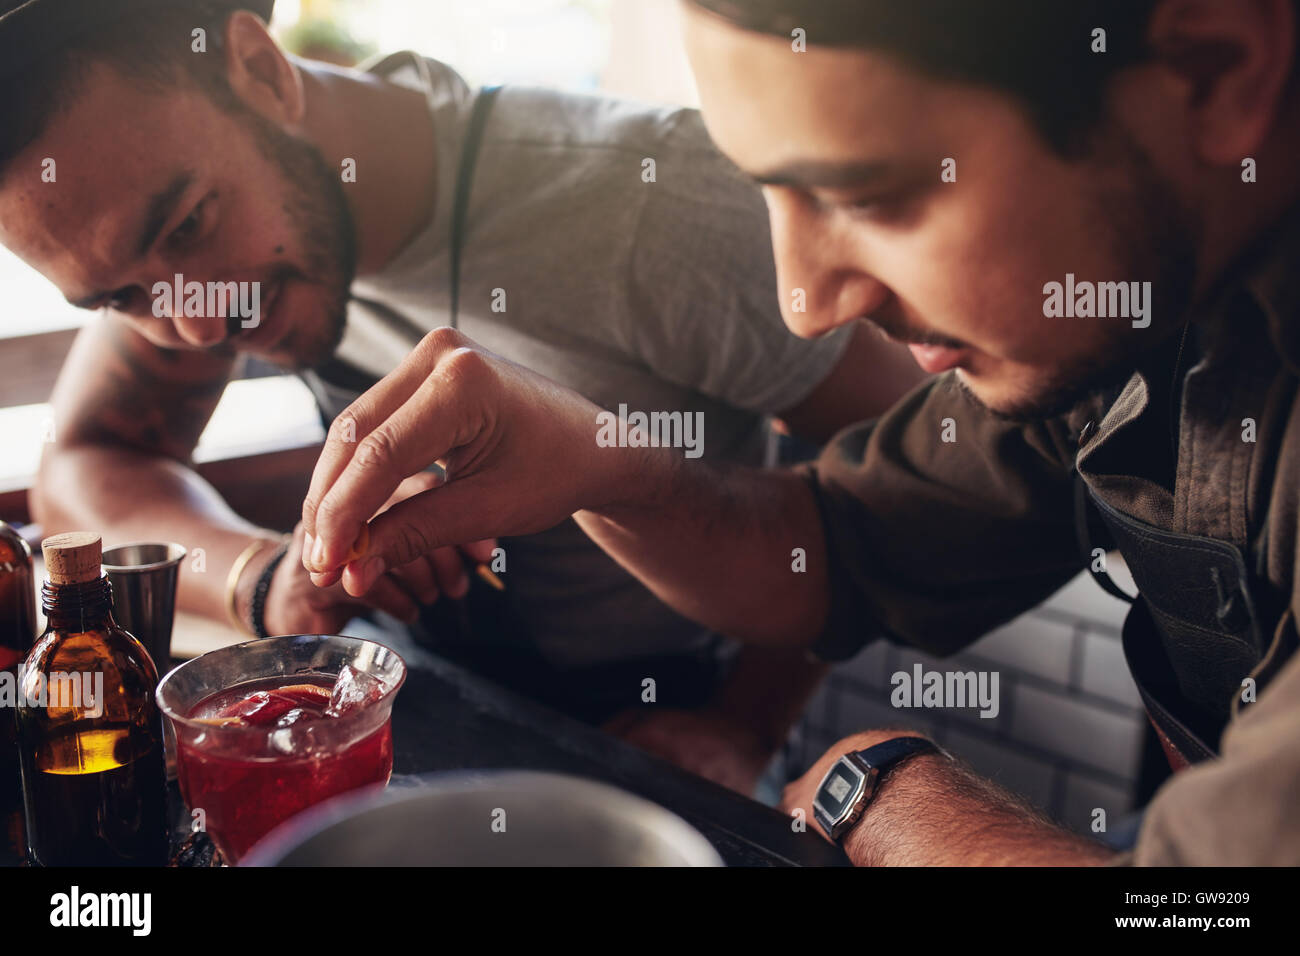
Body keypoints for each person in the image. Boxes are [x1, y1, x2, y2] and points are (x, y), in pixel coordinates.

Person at [296, 0, 1300, 865]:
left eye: (864, 195)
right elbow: (834, 548)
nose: (804, 301)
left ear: (1211, 72)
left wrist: (887, 794)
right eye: (766, 190)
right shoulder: (1113, 313)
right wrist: (602, 465)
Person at [0, 0, 926, 795]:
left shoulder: (655, 208)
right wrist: (266, 578)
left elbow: (924, 470)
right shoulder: (178, 249)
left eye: (191, 225)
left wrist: (745, 723)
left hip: (665, 730)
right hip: (429, 711)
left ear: (258, 69)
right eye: (121, 297)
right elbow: (88, 464)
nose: (194, 328)